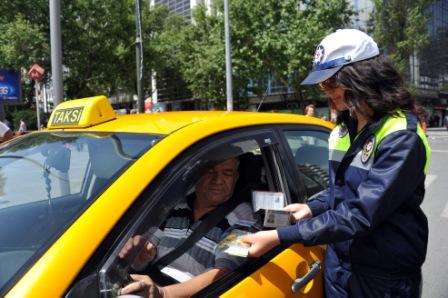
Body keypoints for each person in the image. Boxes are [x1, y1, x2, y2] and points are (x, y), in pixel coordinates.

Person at [242, 29, 431, 297]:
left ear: (361, 76)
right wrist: (310, 208)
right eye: (323, 85)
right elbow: (341, 191)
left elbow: (360, 213)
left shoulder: (401, 135)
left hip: (382, 275)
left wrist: (279, 236)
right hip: (338, 264)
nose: (327, 93)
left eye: (332, 83)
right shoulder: (342, 130)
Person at [118, 157, 255, 297]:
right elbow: (146, 251)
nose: (218, 180)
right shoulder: (177, 205)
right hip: (147, 284)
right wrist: (140, 259)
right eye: (210, 171)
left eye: (227, 173)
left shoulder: (244, 216)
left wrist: (163, 293)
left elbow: (225, 272)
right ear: (197, 174)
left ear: (236, 177)